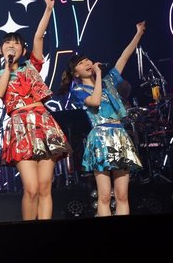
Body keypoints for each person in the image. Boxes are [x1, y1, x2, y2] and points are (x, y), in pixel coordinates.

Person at [0, 0, 71, 220]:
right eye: (8, 43)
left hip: (43, 123)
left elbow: (38, 37)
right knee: (31, 188)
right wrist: (7, 68)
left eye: (16, 43)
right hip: (20, 126)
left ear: (23, 51)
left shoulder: (31, 67)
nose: (12, 46)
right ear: (1, 50)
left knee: (45, 187)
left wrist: (48, 9)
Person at [59, 21, 146, 216]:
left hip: (119, 134)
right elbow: (95, 101)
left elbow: (124, 57)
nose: (87, 63)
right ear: (75, 73)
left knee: (122, 195)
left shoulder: (108, 82)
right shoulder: (78, 89)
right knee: (105, 196)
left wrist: (138, 34)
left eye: (87, 60)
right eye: (81, 63)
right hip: (100, 138)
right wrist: (98, 75)